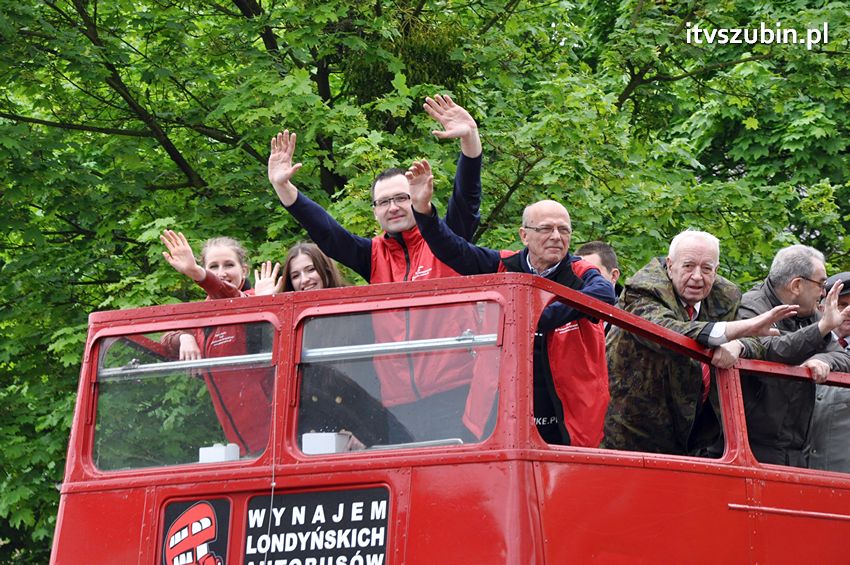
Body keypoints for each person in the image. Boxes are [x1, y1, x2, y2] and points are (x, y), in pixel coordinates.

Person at [267, 95, 486, 440]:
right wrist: (285, 187)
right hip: (396, 403)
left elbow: (467, 199)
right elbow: (329, 234)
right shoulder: (373, 255)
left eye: (401, 197)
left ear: (416, 196)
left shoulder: (447, 242)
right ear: (374, 211)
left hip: (454, 391)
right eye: (384, 202)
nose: (394, 207)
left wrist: (469, 142)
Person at [406, 160, 616, 446]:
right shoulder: (504, 264)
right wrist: (423, 211)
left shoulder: (579, 272)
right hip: (504, 406)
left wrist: (538, 316)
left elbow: (605, 295)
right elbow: (452, 250)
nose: (556, 237)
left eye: (564, 230)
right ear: (524, 235)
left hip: (566, 410)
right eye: (546, 229)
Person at [604, 230, 798, 457]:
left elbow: (759, 341)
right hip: (629, 429)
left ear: (716, 271)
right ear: (670, 265)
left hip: (695, 436)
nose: (697, 276)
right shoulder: (643, 289)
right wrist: (738, 330)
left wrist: (739, 345)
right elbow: (668, 334)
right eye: (688, 266)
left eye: (707, 269)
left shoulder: (726, 295)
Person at [159, 230, 282, 455]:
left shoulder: (255, 300)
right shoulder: (201, 318)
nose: (221, 273)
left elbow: (232, 299)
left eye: (229, 265)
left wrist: (199, 274)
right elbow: (164, 340)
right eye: (213, 267)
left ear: (243, 270)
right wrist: (184, 336)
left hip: (278, 432)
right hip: (242, 443)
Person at [736, 245, 850, 467]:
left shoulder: (809, 313)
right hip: (752, 446)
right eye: (821, 284)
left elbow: (841, 357)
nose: (823, 292)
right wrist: (821, 329)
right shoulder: (751, 307)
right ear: (797, 285)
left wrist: (822, 360)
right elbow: (769, 348)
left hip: (793, 448)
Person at [809, 271, 850, 472]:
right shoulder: (802, 344)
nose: (849, 311)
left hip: (842, 477)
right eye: (841, 305)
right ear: (821, 307)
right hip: (796, 469)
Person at [283, 241, 349, 292]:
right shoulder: (285, 308)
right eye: (295, 276)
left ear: (326, 269)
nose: (304, 280)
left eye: (311, 270)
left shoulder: (353, 302)